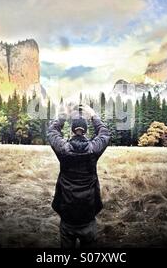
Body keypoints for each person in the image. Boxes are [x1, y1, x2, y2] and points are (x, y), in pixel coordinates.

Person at [47, 104, 111, 248]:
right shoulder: (93, 149)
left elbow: (52, 132)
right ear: (85, 131)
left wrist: (63, 115)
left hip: (67, 214)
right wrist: (93, 115)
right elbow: (105, 134)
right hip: (88, 213)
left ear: (72, 130)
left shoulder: (63, 149)